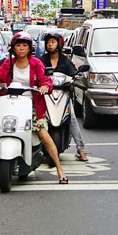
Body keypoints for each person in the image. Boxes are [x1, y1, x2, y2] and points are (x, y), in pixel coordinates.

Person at [0, 32, 68, 183]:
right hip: (10, 104)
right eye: (18, 45)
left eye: (25, 45)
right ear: (13, 48)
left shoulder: (36, 63)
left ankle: (59, 169)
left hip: (32, 106)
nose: (21, 48)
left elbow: (45, 80)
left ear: (30, 48)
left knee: (43, 135)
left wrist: (44, 86)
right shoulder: (8, 63)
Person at [40, 30, 89, 162]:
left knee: (72, 118)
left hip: (63, 94)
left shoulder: (65, 60)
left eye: (53, 42)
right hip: (44, 94)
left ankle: (81, 149)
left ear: (59, 44)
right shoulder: (42, 60)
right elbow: (36, 73)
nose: (50, 45)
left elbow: (73, 72)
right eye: (48, 42)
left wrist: (76, 77)